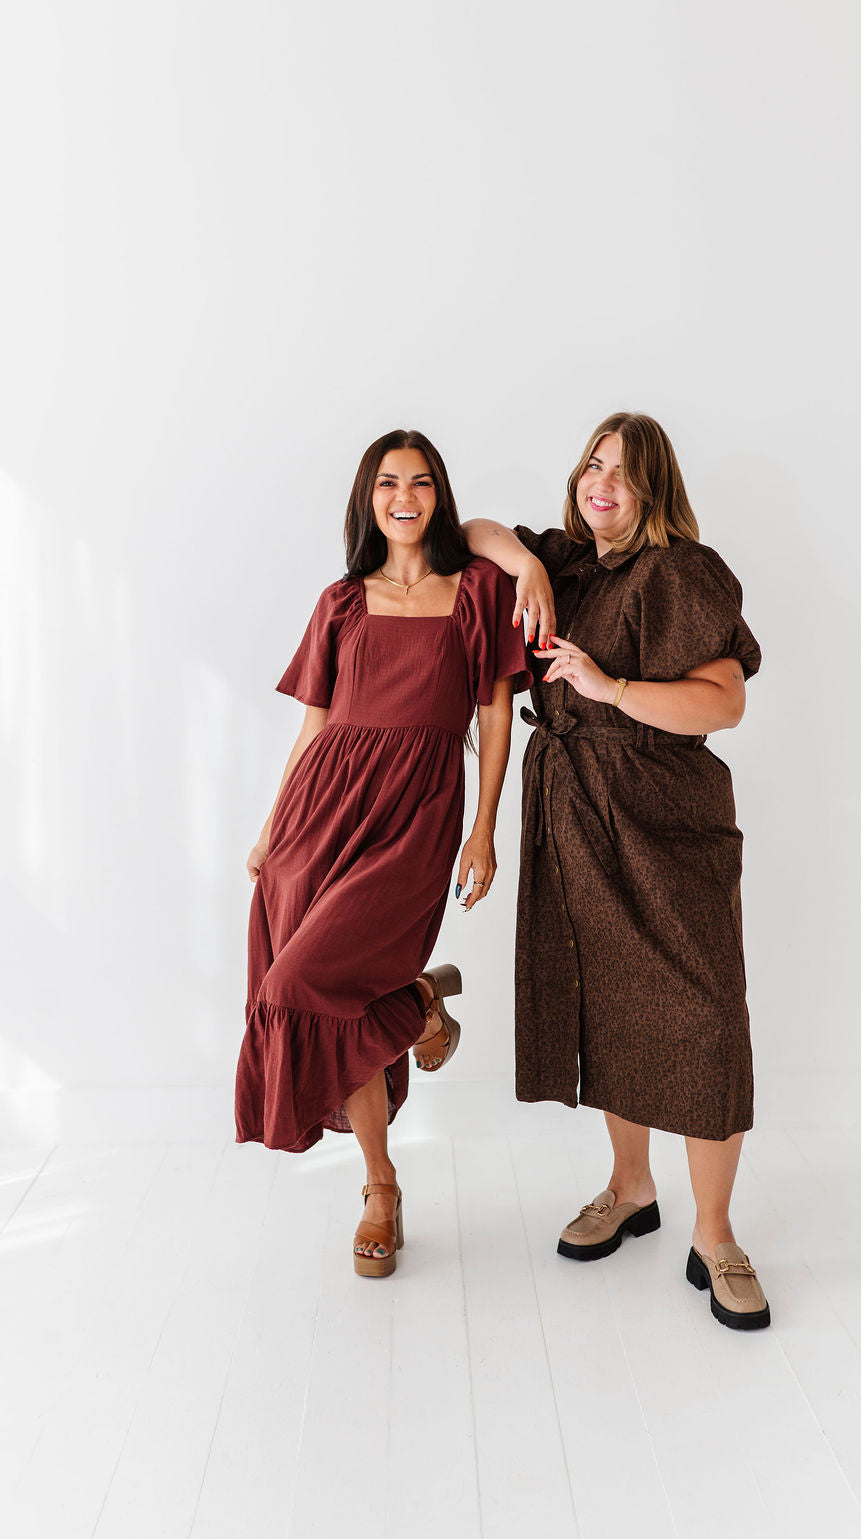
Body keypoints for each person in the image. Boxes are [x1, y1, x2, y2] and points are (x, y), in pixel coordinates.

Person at [463, 411, 770, 1329]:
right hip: (572, 810)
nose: (601, 483)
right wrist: (524, 568)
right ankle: (631, 1186)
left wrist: (611, 688)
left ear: (653, 490)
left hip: (663, 817)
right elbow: (468, 531)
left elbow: (727, 700)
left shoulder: (678, 571)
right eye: (593, 463)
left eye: (624, 472)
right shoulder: (564, 564)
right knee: (606, 1000)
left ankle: (715, 1234)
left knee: (706, 1018)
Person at [236, 429, 530, 1278]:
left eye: (422, 482)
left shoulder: (478, 591)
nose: (406, 497)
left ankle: (418, 1000)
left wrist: (484, 826)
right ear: (368, 498)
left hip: (417, 811)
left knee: (300, 985)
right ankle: (382, 1185)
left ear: (440, 495)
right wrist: (271, 827)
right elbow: (315, 727)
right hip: (321, 812)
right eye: (389, 483)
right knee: (336, 1000)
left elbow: (495, 715)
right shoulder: (341, 601)